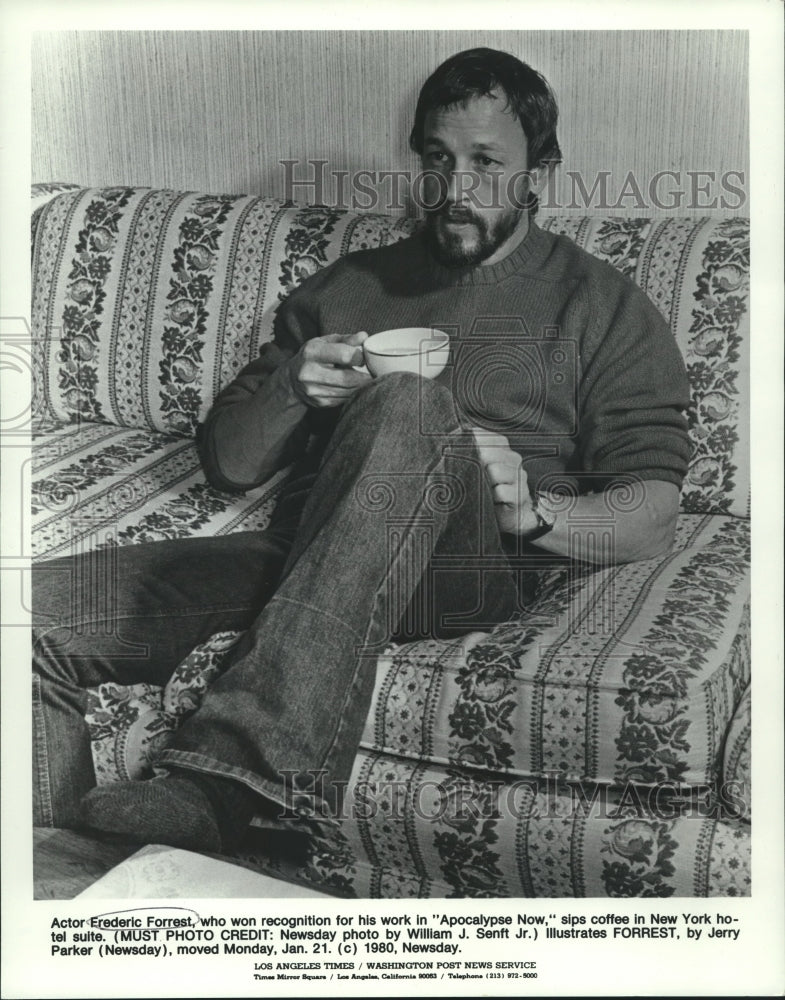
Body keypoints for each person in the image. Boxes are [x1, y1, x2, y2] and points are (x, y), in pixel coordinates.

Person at [33, 47, 690, 853]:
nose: (455, 189)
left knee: (410, 402)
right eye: (437, 159)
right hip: (308, 557)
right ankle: (59, 887)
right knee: (27, 621)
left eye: (487, 163)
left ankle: (237, 778)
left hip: (465, 573)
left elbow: (652, 515)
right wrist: (292, 392)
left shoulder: (604, 306)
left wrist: (531, 511)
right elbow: (229, 465)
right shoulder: (349, 282)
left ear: (538, 174)